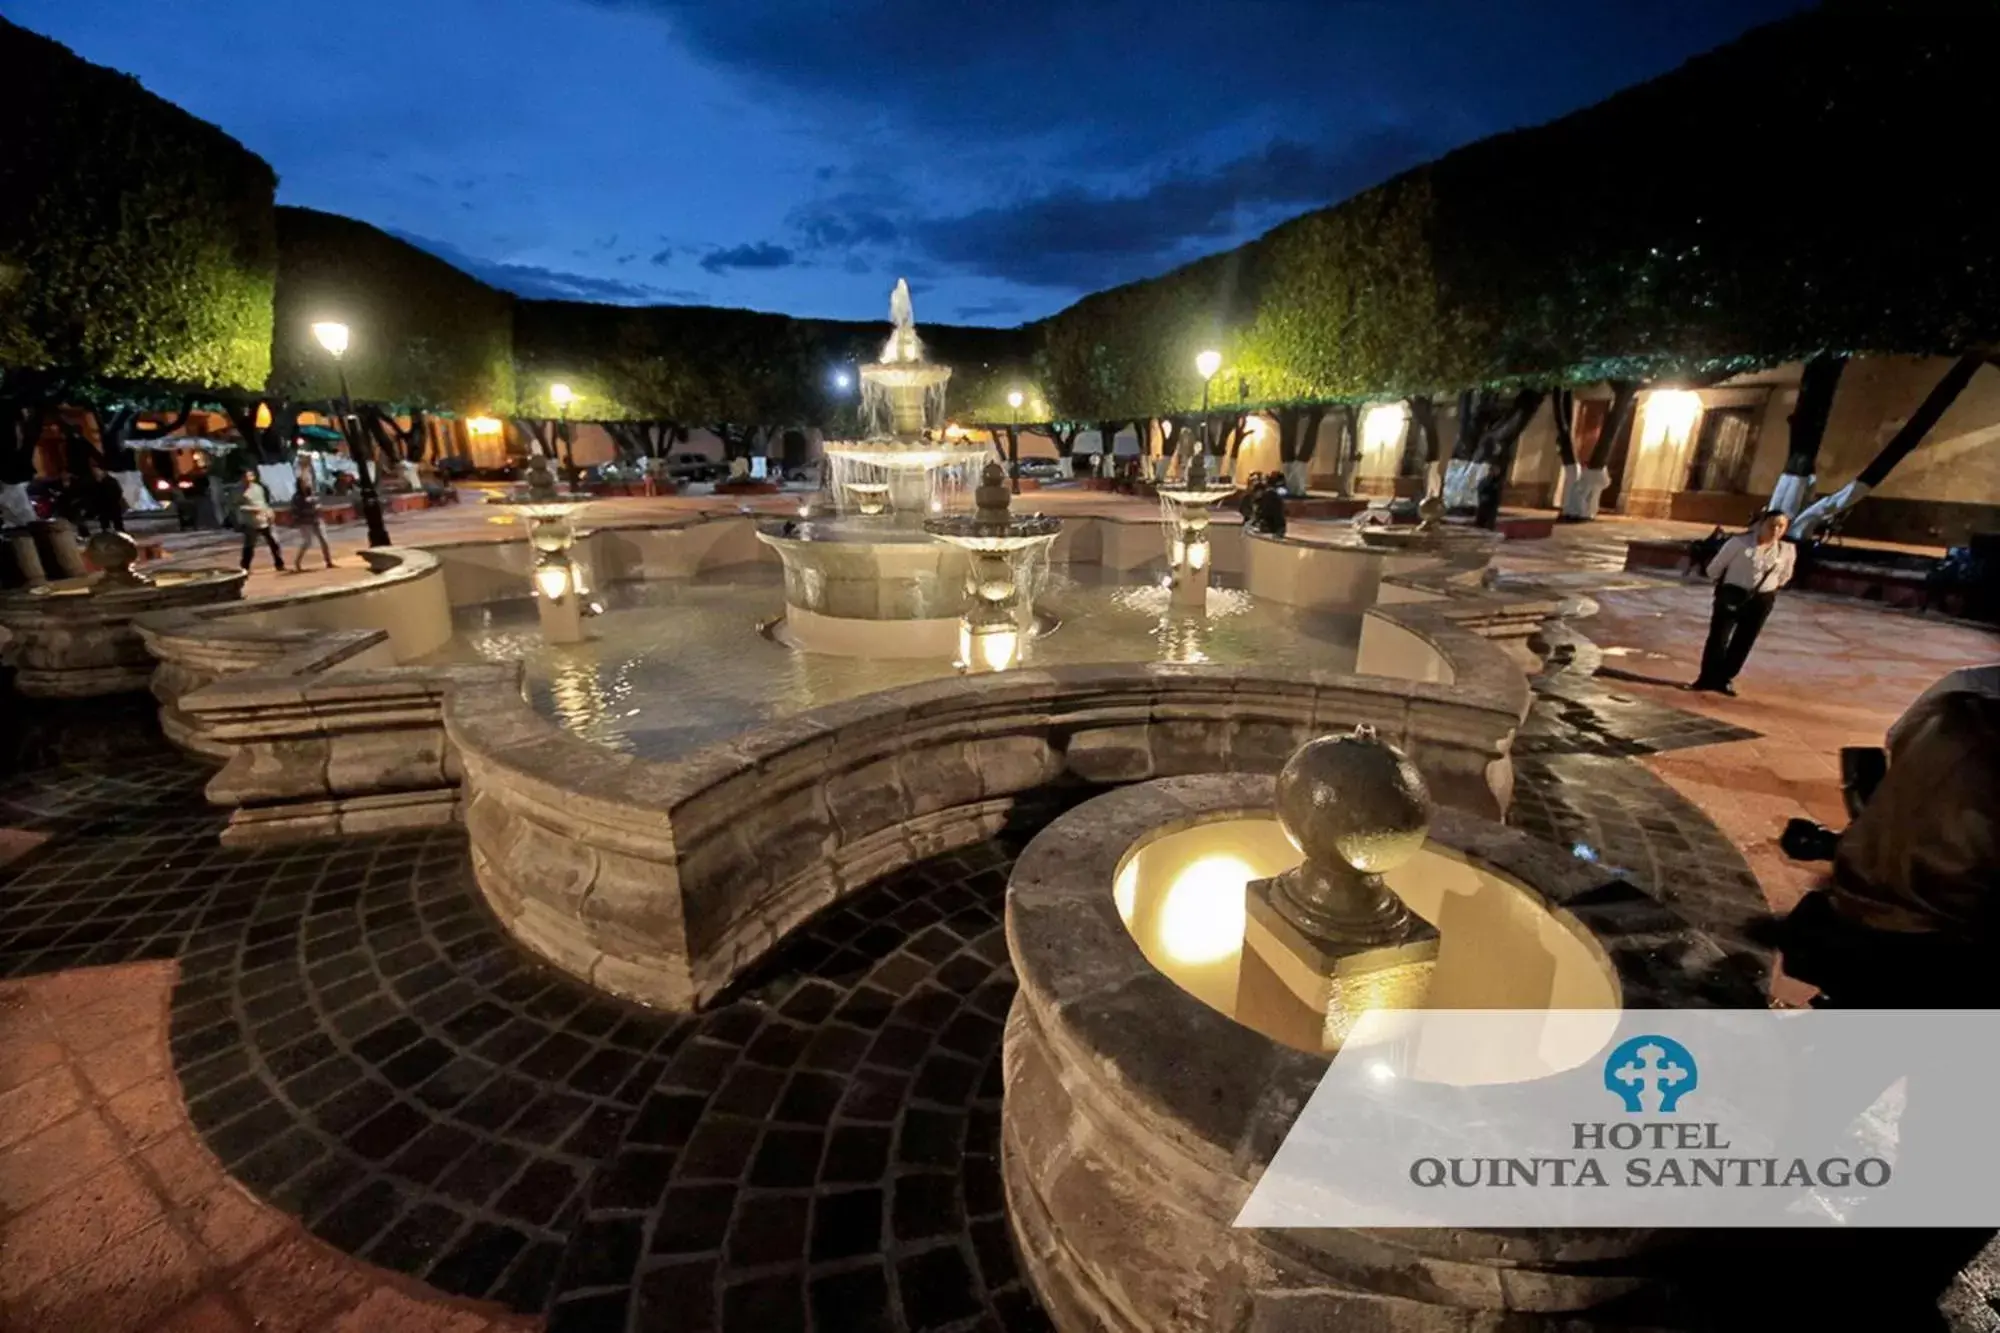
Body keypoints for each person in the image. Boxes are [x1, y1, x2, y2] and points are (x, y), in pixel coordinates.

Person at [1689, 509, 1794, 695]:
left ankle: (1725, 677)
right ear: (1760, 524)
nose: (1776, 530)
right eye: (1772, 525)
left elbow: (1785, 576)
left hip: (1762, 598)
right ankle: (1707, 677)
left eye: (1781, 526)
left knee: (1745, 639)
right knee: (1719, 637)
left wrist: (1768, 589)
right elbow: (1714, 569)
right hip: (1733, 594)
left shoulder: (1787, 550)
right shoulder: (1738, 543)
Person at [236, 469, 285, 573]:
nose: (248, 479)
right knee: (250, 546)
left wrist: (269, 512)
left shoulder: (258, 488)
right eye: (246, 477)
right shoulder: (239, 491)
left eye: (250, 476)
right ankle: (245, 566)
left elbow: (263, 502)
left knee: (274, 542)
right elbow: (236, 507)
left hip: (264, 520)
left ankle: (279, 563)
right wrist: (251, 509)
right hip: (250, 522)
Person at [289, 470, 336, 571]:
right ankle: (297, 562)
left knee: (324, 540)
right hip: (305, 522)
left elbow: (318, 505)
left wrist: (317, 507)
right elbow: (295, 511)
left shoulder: (312, 493)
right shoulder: (297, 497)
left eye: (308, 481)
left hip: (316, 520)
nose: (307, 483)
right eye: (304, 481)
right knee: (307, 542)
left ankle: (329, 562)